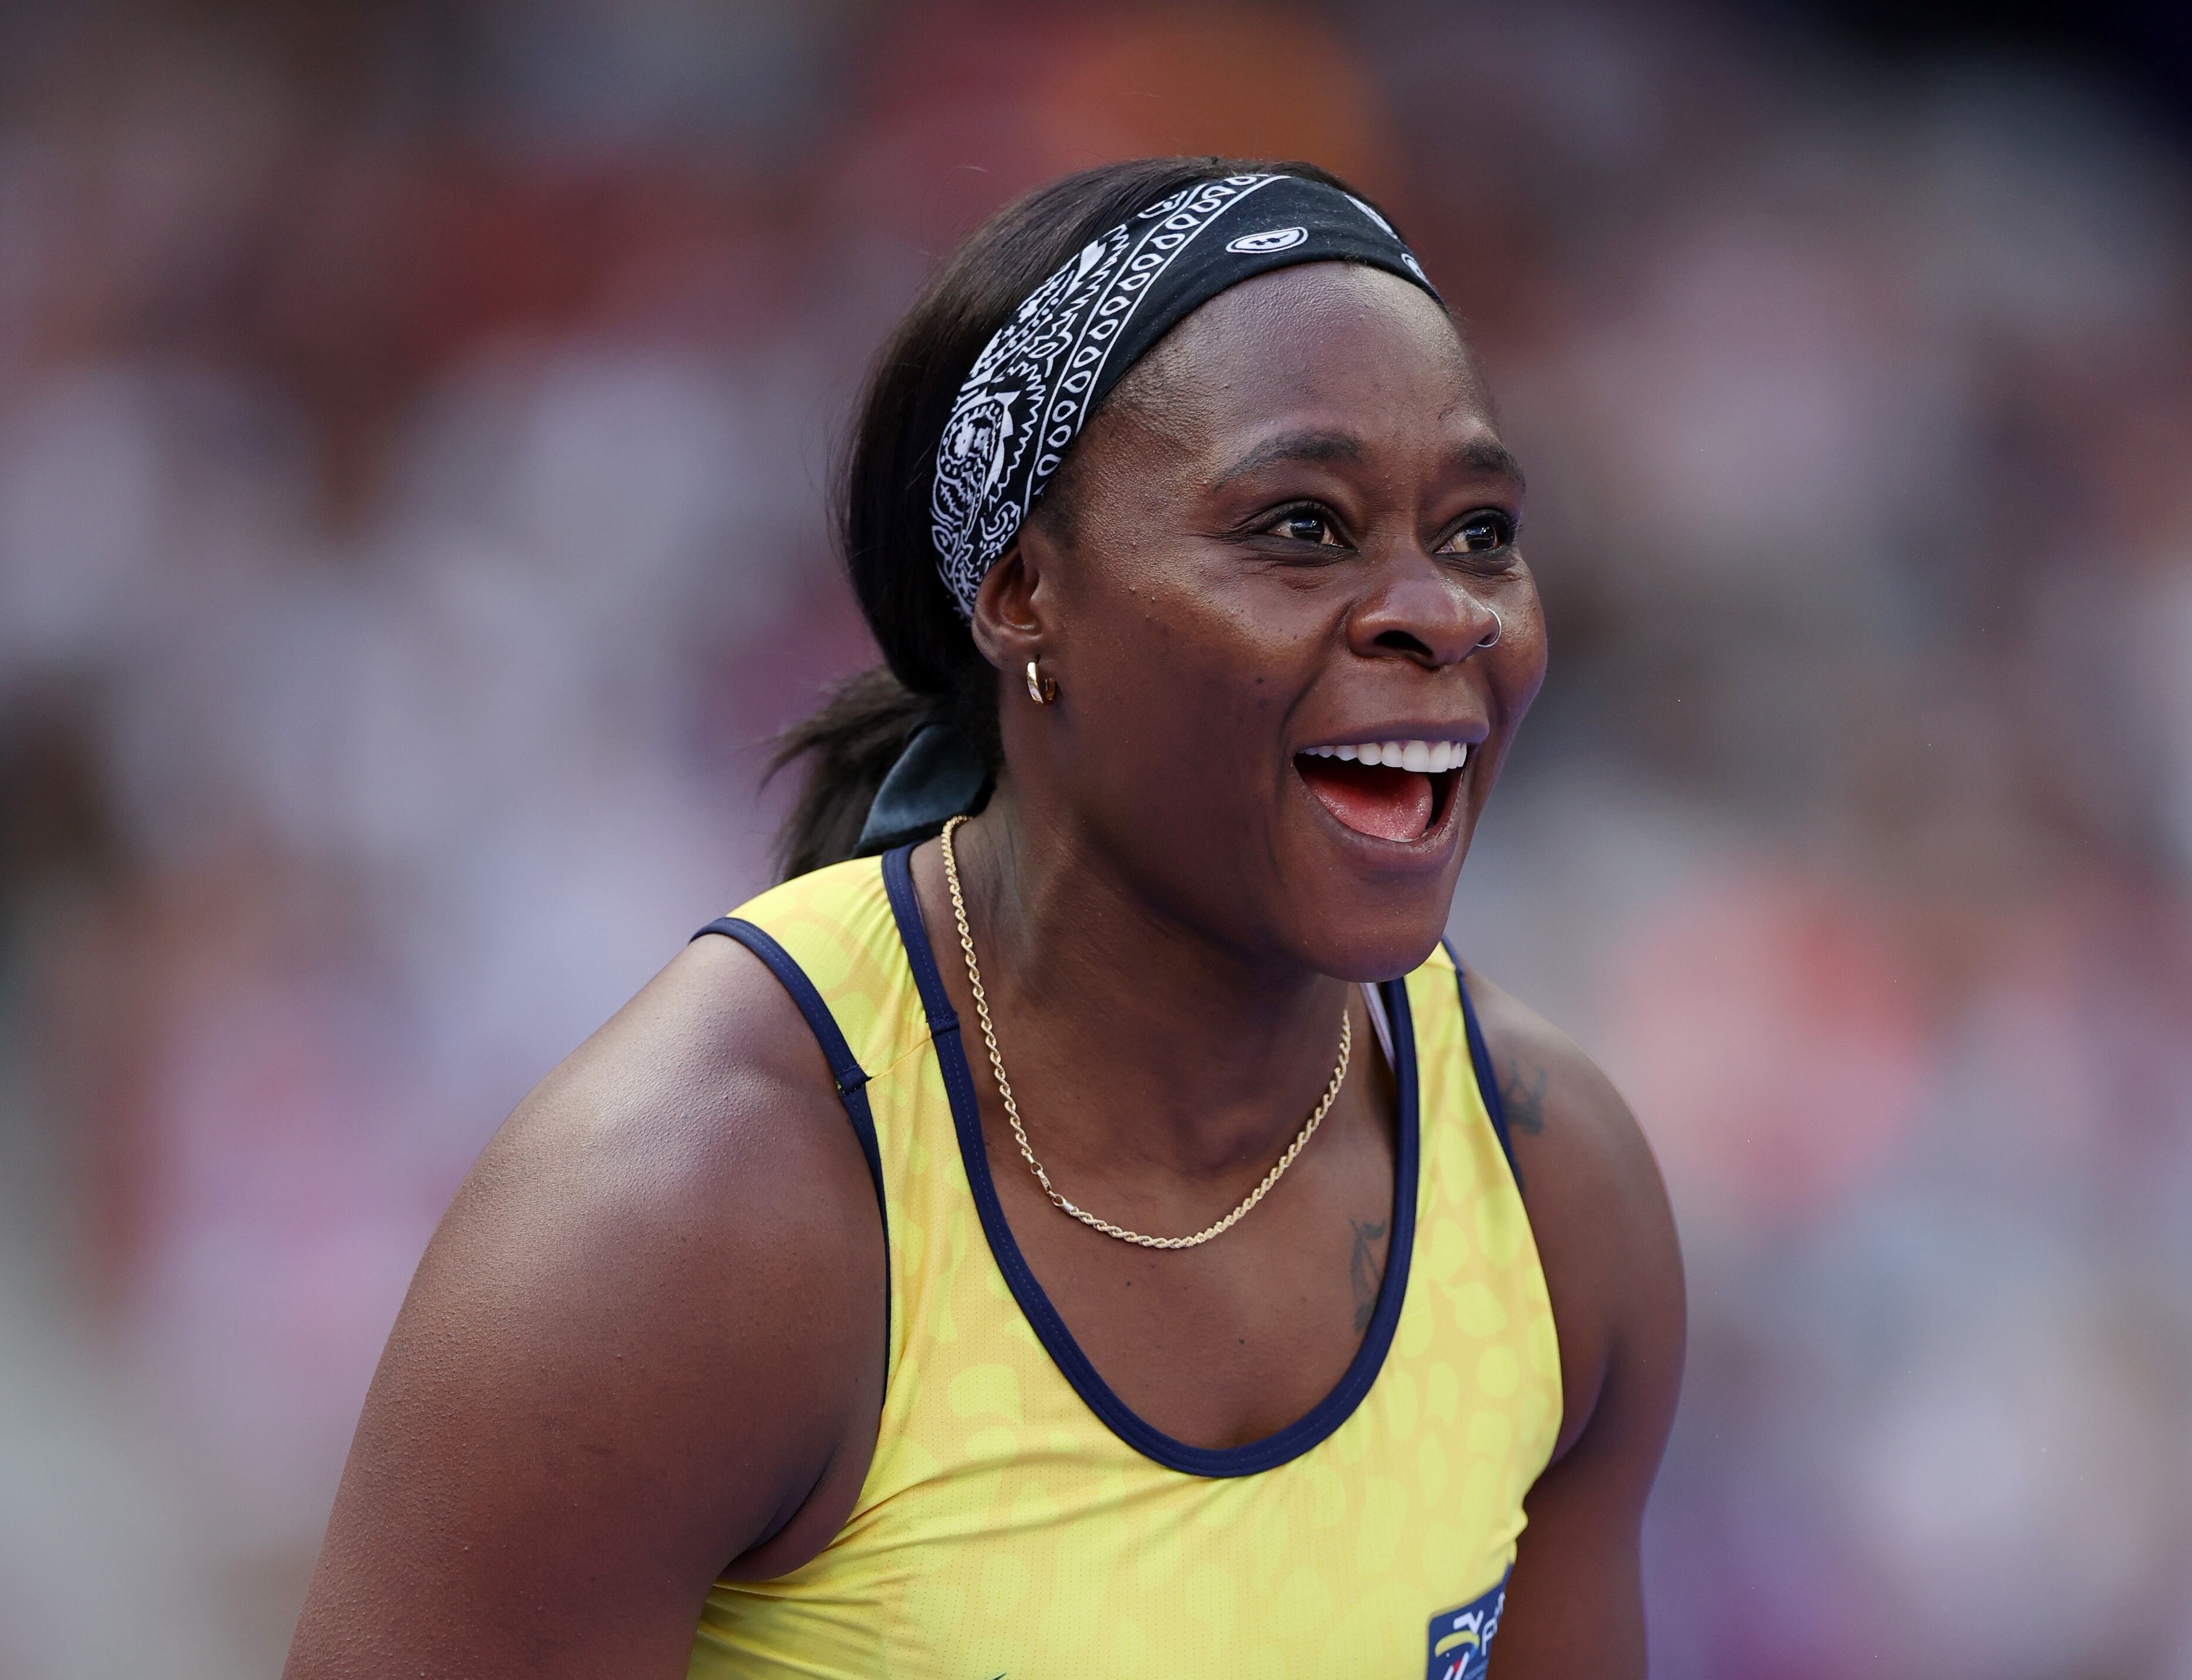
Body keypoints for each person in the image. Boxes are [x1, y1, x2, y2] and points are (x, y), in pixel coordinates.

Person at [284, 157, 1683, 1680]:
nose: (1443, 613)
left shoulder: (1554, 1190)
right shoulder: (685, 1217)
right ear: (1024, 595)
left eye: (1478, 533)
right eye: (1301, 525)